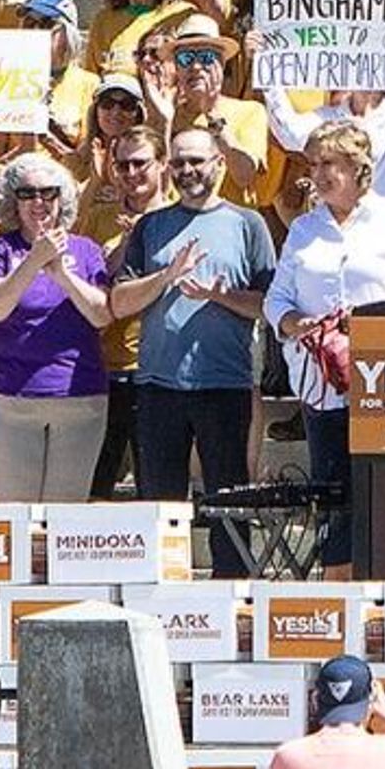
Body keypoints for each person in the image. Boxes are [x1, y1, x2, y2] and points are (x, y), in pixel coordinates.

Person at [267, 119, 385, 571]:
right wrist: (295, 322)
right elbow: (276, 299)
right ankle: (339, 589)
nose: (319, 174)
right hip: (323, 385)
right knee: (333, 493)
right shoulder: (305, 229)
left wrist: (376, 328)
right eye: (314, 164)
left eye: (330, 163)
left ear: (357, 167)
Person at [109, 124, 276, 501]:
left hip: (224, 384)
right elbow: (120, 302)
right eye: (179, 162)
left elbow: (269, 305)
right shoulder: (151, 226)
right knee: (159, 509)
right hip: (157, 386)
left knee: (229, 509)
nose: (187, 170)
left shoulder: (248, 224)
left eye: (196, 161)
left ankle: (231, 565)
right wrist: (166, 276)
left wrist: (221, 296)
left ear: (218, 163)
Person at [0, 150, 114, 504]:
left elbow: (101, 315)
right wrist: (33, 261)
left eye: (49, 193)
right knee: (15, 510)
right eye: (27, 194)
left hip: (78, 396)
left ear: (61, 199)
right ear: (12, 202)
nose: (39, 202)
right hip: (8, 398)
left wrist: (62, 274)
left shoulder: (87, 250)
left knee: (67, 513)